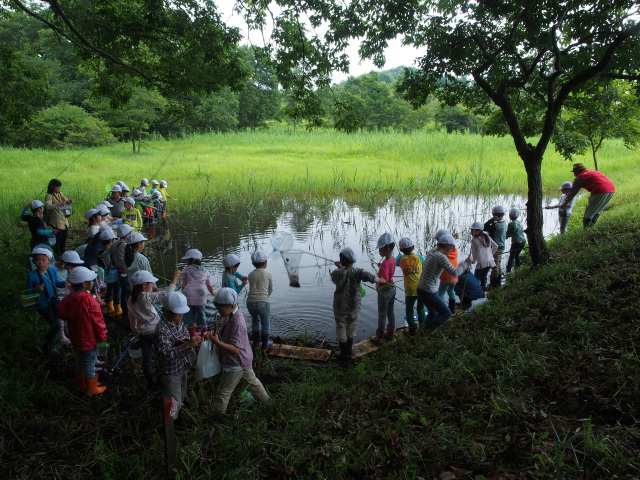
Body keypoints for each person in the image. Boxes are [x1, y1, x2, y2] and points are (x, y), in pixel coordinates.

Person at [206, 288, 270, 421]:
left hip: (236, 363)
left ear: (232, 305)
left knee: (224, 391)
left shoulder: (237, 323)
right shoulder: (230, 315)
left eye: (221, 309)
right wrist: (218, 335)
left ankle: (217, 419)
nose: (219, 311)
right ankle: (269, 403)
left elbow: (235, 350)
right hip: (244, 359)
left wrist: (217, 342)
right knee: (253, 383)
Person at [57, 267, 107, 396]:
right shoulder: (88, 300)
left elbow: (61, 313)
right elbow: (98, 320)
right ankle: (91, 388)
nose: (93, 281)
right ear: (85, 284)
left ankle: (81, 383)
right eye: (91, 280)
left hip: (75, 336)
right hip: (88, 337)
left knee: (80, 358)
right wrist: (102, 335)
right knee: (90, 361)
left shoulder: (68, 299)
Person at [129, 269, 181, 389]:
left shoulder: (130, 300)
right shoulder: (146, 297)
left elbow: (132, 318)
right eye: (151, 284)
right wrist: (175, 277)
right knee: (161, 355)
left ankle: (151, 382)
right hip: (155, 331)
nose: (152, 286)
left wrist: (135, 330)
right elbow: (167, 294)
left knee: (147, 358)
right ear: (144, 285)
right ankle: (163, 381)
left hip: (142, 333)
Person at [155, 291, 203, 421]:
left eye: (182, 312)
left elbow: (185, 333)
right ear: (167, 311)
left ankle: (179, 411)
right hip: (171, 371)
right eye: (178, 313)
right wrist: (186, 345)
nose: (182, 315)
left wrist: (186, 340)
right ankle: (172, 423)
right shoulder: (162, 330)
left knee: (181, 393)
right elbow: (165, 354)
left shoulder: (178, 321)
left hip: (182, 366)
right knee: (173, 398)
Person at [330, 247, 384, 360]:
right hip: (354, 306)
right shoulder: (359, 272)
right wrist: (381, 280)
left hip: (340, 307)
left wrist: (340, 268)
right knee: (351, 325)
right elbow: (371, 278)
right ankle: (349, 350)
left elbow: (334, 278)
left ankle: (343, 352)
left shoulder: (337, 273)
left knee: (341, 326)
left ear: (342, 260)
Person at [416, 234, 472, 329]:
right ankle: (426, 331)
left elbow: (444, 245)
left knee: (433, 312)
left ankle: (423, 332)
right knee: (446, 313)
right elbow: (455, 272)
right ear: (449, 248)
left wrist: (452, 239)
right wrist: (466, 263)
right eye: (452, 249)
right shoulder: (441, 257)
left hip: (420, 289)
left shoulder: (432, 251)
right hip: (429, 291)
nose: (452, 252)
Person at [25, 248, 67, 354]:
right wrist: (35, 290)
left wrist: (64, 283)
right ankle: (46, 342)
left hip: (54, 301)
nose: (40, 262)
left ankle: (51, 345)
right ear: (33, 262)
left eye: (43, 260)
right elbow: (26, 293)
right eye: (37, 260)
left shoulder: (52, 271)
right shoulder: (31, 276)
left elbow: (56, 282)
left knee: (55, 322)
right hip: (42, 304)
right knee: (56, 324)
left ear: (49, 261)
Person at [560, 163, 616, 228]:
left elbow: (573, 192)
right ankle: (592, 228)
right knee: (596, 212)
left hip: (600, 190)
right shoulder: (593, 172)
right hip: (611, 189)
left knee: (588, 215)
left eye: (574, 172)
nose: (574, 174)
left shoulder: (580, 177)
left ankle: (586, 232)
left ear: (577, 171)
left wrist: (564, 203)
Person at [395, 237, 426, 335]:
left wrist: (398, 256)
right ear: (413, 247)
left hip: (410, 290)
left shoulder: (401, 259)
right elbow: (424, 267)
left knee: (409, 310)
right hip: (422, 287)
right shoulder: (420, 258)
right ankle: (423, 328)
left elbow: (394, 262)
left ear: (400, 249)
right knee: (421, 308)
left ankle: (412, 330)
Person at [181, 249, 215, 334]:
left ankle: (193, 336)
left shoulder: (186, 270)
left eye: (188, 260)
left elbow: (184, 285)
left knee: (190, 319)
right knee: (202, 317)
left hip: (188, 296)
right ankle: (204, 335)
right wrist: (213, 293)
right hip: (200, 297)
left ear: (193, 260)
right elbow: (209, 285)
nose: (186, 262)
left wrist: (182, 295)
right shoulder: (206, 271)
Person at [372, 233, 397, 343]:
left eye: (380, 249)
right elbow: (389, 271)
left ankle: (380, 337)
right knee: (390, 311)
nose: (379, 251)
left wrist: (376, 279)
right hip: (393, 288)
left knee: (382, 314)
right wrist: (381, 267)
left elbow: (385, 279)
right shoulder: (393, 259)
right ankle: (391, 333)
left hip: (385, 291)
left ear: (387, 249)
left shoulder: (385, 263)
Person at [247, 251, 274, 350]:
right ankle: (265, 344)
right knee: (265, 323)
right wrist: (266, 297)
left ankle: (255, 342)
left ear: (253, 263)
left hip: (250, 302)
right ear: (266, 262)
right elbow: (270, 288)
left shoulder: (250, 275)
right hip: (263, 302)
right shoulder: (268, 274)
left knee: (255, 320)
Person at [43, 179, 73, 256]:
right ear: (52, 187)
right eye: (57, 187)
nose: (59, 189)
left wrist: (69, 201)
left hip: (63, 217)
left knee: (64, 236)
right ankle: (57, 251)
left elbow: (65, 200)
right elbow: (47, 206)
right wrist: (58, 204)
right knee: (58, 237)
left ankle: (62, 250)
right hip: (56, 218)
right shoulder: (49, 196)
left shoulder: (59, 194)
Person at [434, 229, 459, 313]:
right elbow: (451, 244)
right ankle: (452, 308)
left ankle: (442, 310)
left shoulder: (443, 254)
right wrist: (453, 238)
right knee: (451, 291)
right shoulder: (454, 250)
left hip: (446, 278)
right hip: (454, 277)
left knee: (441, 293)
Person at [469, 221, 497, 293]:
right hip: (490, 261)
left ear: (479, 231)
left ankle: (476, 293)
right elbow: (495, 246)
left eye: (472, 230)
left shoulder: (474, 240)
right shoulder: (487, 237)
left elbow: (474, 254)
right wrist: (491, 254)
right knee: (483, 277)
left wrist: (473, 261)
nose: (471, 232)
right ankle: (483, 293)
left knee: (476, 279)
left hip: (481, 263)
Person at [98, 228, 119, 317]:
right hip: (114, 274)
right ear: (111, 240)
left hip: (106, 274)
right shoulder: (112, 251)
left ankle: (110, 308)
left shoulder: (99, 252)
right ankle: (118, 309)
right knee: (117, 291)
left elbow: (99, 264)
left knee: (109, 290)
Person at [484, 205, 507, 288]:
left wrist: (491, 220)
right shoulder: (504, 223)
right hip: (502, 246)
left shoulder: (495, 226)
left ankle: (494, 285)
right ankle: (499, 281)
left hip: (496, 248)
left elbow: (484, 227)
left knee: (494, 266)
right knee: (498, 264)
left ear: (495, 216)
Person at [505, 208, 526, 273]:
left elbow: (507, 234)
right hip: (523, 241)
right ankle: (518, 267)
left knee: (511, 257)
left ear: (510, 216)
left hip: (516, 243)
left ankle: (508, 270)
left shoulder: (511, 224)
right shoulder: (519, 222)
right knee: (516, 255)